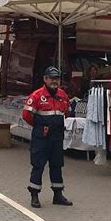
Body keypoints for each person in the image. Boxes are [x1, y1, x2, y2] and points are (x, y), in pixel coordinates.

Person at [22, 66, 73, 209]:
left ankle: (58, 195)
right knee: (38, 165)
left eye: (56, 78)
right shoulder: (37, 95)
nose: (54, 81)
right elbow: (26, 115)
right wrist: (39, 126)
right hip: (41, 138)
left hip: (57, 137)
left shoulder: (63, 95)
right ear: (45, 79)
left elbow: (67, 112)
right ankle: (34, 195)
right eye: (51, 78)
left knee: (57, 166)